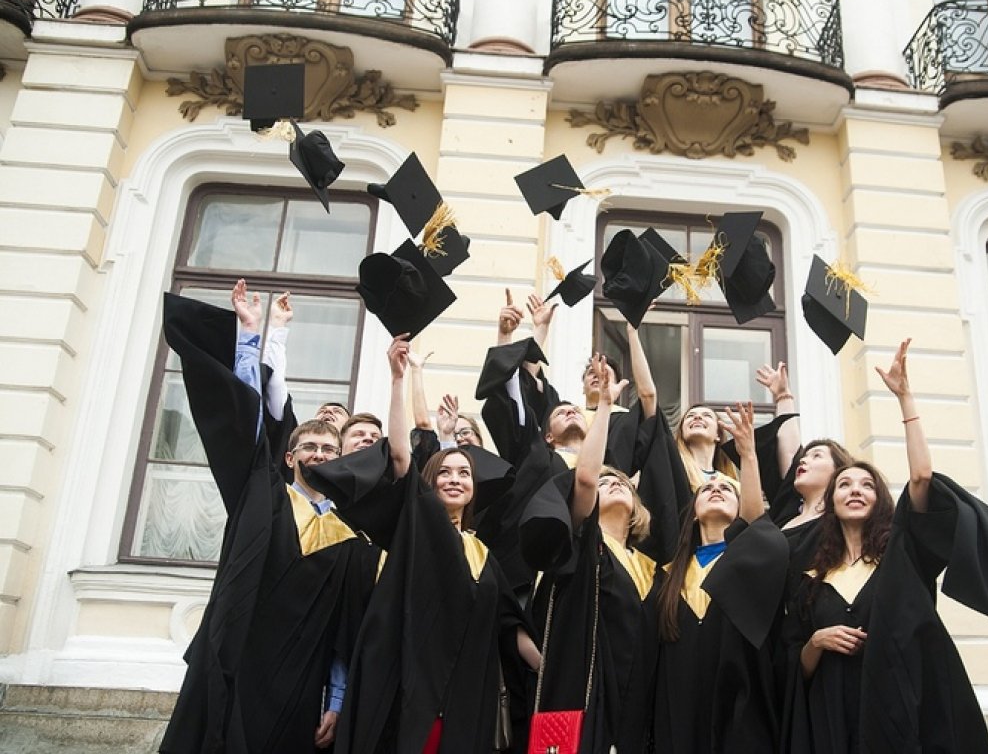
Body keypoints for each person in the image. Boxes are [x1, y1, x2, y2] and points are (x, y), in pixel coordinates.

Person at [158, 285, 378, 754]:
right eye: (310, 448)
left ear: (341, 460)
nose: (319, 455)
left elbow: (345, 629)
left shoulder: (349, 539)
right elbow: (251, 424)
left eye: (329, 449)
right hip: (239, 668)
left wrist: (336, 700)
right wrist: (256, 336)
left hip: (300, 685)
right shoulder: (265, 499)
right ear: (291, 457)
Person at [304, 335, 539, 754]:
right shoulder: (419, 525)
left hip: (467, 692)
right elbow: (399, 456)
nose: (454, 478)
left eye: (464, 473)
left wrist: (547, 667)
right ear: (431, 483)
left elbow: (509, 624)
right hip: (409, 686)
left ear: (474, 489)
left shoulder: (482, 554)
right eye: (445, 471)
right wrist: (399, 380)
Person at [783, 339, 988, 753]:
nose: (855, 491)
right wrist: (815, 642)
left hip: (898, 713)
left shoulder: (903, 554)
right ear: (832, 502)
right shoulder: (811, 575)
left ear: (879, 500)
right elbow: (794, 669)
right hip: (830, 718)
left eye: (866, 485)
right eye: (844, 484)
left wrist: (905, 399)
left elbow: (922, 478)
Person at [518, 355, 671, 753]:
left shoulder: (652, 569)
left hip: (638, 708)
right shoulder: (584, 545)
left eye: (622, 482)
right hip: (588, 696)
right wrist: (603, 406)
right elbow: (585, 477)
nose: (614, 484)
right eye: (607, 483)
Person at [650, 402, 788, 753]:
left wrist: (748, 455)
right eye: (707, 491)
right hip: (678, 716)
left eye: (728, 490)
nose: (715, 490)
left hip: (739, 718)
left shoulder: (749, 568)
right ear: (693, 513)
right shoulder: (667, 578)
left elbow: (758, 526)